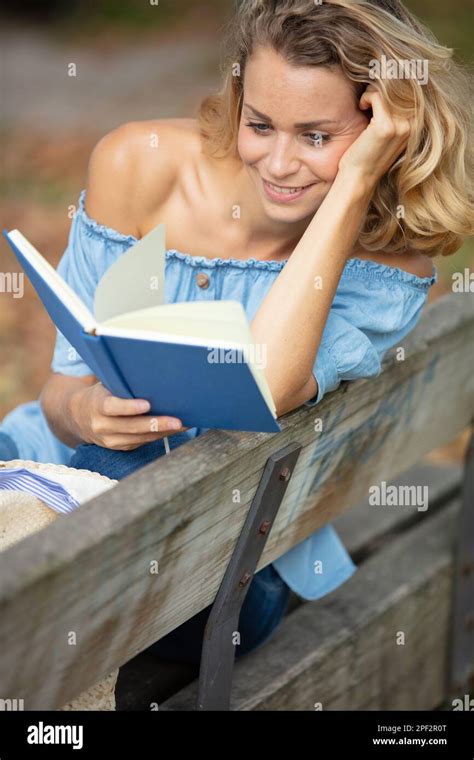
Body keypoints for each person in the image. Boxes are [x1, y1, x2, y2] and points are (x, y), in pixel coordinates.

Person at [1, 0, 472, 664]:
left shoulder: (384, 268)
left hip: (225, 577)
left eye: (316, 136)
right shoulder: (140, 166)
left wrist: (356, 184)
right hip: (59, 484)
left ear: (380, 126)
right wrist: (85, 409)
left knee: (128, 481)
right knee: (112, 465)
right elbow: (61, 390)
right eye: (260, 124)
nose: (278, 163)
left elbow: (268, 382)